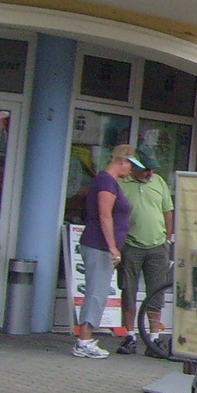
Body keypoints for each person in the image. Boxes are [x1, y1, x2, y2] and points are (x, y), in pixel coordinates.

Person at [74, 144, 135, 358]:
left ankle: (86, 338)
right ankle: (84, 340)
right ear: (122, 161)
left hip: (101, 245)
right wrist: (112, 247)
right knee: (96, 292)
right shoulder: (106, 181)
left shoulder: (110, 182)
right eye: (130, 164)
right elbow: (104, 214)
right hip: (99, 245)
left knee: (97, 292)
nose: (131, 170)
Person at [117, 151, 174, 355]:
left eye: (152, 169)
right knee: (128, 290)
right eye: (145, 169)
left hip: (157, 245)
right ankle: (129, 335)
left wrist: (167, 238)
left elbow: (168, 211)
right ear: (134, 167)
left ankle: (154, 338)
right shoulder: (122, 184)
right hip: (131, 245)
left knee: (156, 292)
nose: (150, 172)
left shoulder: (158, 182)